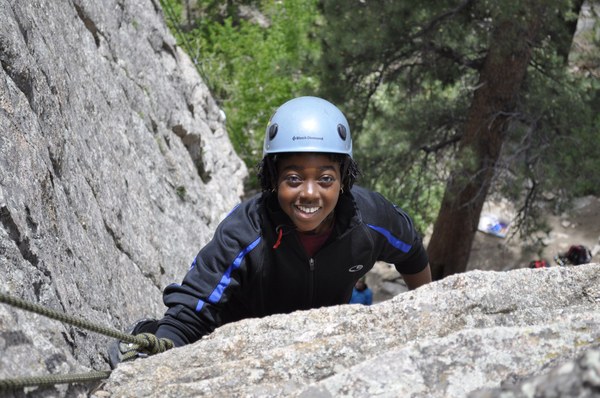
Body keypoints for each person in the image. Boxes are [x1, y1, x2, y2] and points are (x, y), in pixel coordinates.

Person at [111, 96, 431, 363]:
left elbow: (412, 252)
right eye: (293, 178)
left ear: (344, 179)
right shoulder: (246, 232)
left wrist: (428, 315)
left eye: (325, 179)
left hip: (316, 348)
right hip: (238, 351)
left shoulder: (372, 220)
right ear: (272, 178)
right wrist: (162, 347)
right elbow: (193, 311)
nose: (309, 193)